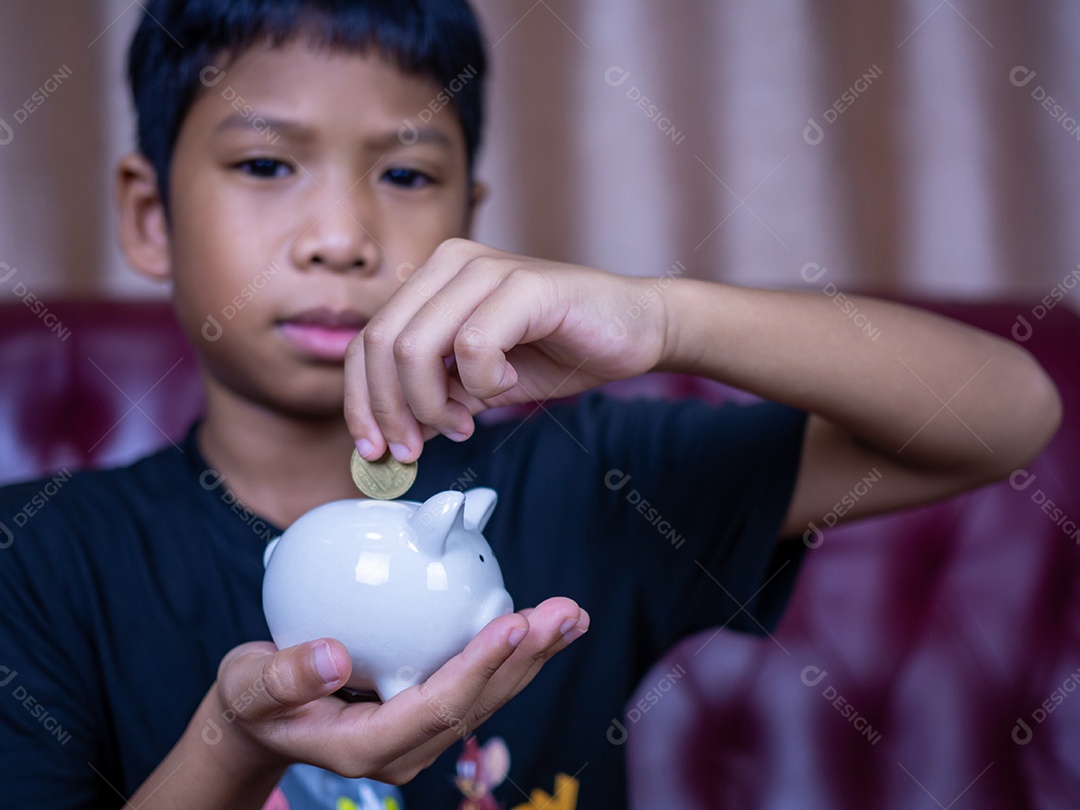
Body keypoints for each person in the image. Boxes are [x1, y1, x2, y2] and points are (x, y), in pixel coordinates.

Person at [0, 0, 1061, 808]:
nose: (341, 234)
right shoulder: (38, 563)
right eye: (267, 162)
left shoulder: (594, 479)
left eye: (407, 175)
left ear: (474, 215)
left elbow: (1009, 412)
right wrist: (235, 742)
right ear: (149, 215)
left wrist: (666, 318)